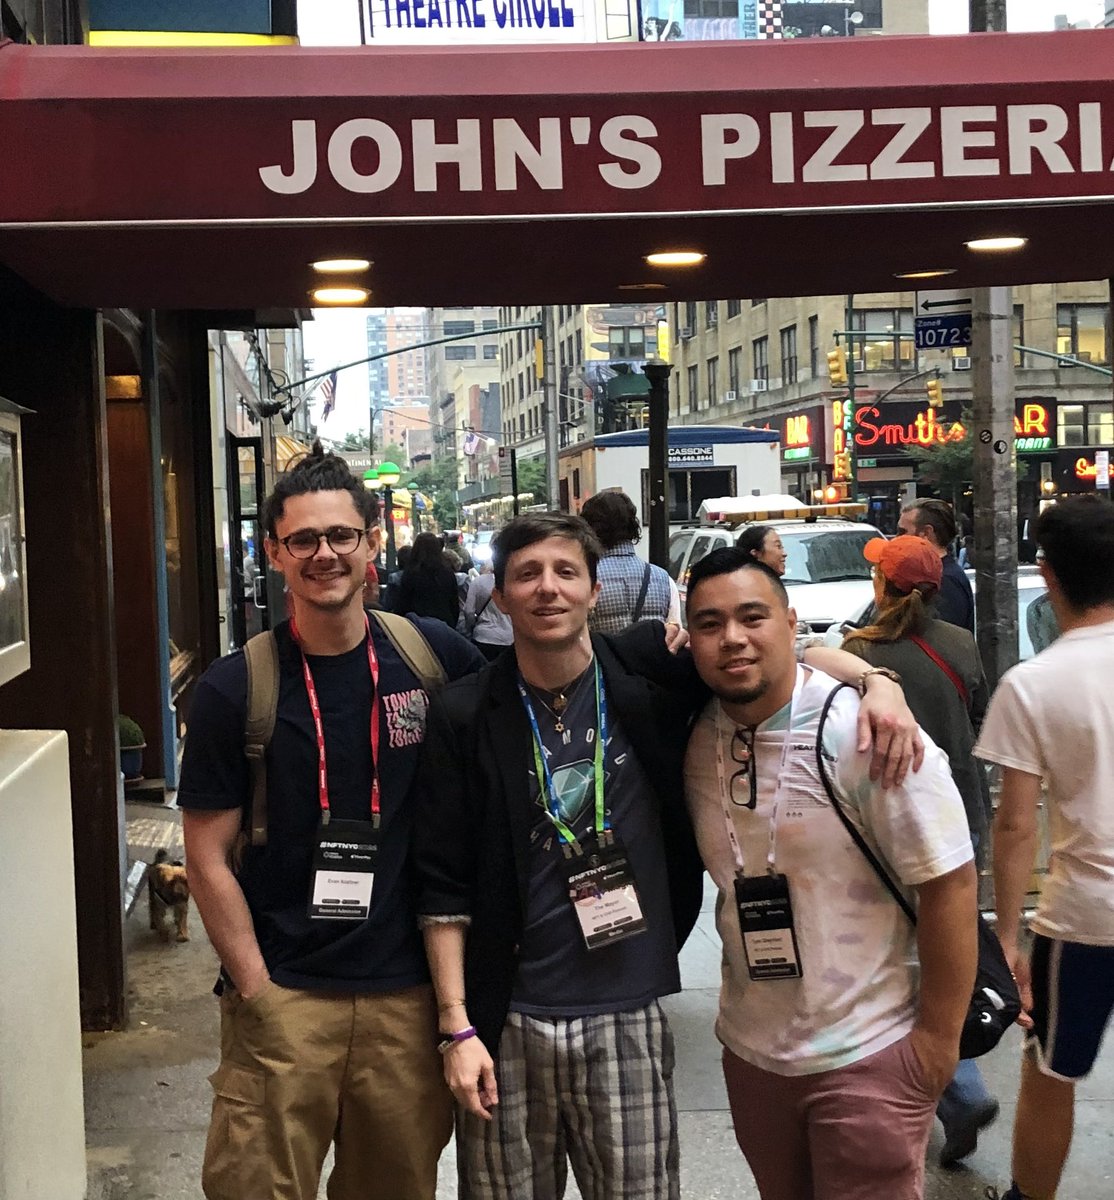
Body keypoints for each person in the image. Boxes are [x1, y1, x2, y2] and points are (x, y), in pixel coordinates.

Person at [413, 514, 925, 1200]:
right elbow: (443, 884)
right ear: (499, 597)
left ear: (595, 590)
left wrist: (876, 680)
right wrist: (458, 1028)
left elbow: (774, 653)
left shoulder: (647, 671)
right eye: (526, 575)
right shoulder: (465, 712)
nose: (547, 589)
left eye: (566, 572)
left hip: (626, 1015)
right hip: (508, 1022)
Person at [178, 444, 484, 1200]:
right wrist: (257, 989)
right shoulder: (233, 688)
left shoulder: (433, 658)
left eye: (342, 535)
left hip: (406, 1004)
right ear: (276, 552)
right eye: (305, 540)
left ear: (371, 544)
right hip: (284, 1000)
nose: (325, 554)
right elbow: (206, 857)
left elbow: (535, 710)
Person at [683, 546, 978, 1200]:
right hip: (752, 1054)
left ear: (792, 625)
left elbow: (951, 881)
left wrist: (935, 1045)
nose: (732, 637)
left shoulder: (867, 734)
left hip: (867, 1056)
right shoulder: (693, 728)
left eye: (752, 617)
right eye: (709, 623)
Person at [842, 534, 998, 1168]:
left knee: (906, 960)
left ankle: (958, 1087)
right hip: (963, 823)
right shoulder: (960, 644)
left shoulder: (863, 654)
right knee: (951, 948)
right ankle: (958, 1084)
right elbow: (979, 717)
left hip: (896, 827)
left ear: (885, 587)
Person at [976, 496, 1114, 1200]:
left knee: (1051, 1070)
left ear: (1047, 574)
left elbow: (1016, 826)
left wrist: (1008, 936)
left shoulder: (1031, 685)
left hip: (1083, 916)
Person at [581, 489, 673, 634]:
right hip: (651, 656)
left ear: (590, 530)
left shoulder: (587, 579)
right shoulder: (663, 579)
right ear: (633, 526)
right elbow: (674, 632)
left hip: (605, 656)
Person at [898, 499, 974, 632]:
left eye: (903, 532)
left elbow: (943, 642)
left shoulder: (946, 580)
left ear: (927, 533)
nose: (897, 539)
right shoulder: (940, 575)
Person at [392, 531, 461, 629]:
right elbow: (454, 604)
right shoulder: (447, 573)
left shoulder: (410, 574)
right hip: (444, 625)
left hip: (417, 627)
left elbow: (402, 604)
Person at [462, 559, 514, 662]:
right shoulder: (511, 582)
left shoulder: (478, 582)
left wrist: (470, 627)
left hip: (483, 636)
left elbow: (468, 611)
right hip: (510, 638)